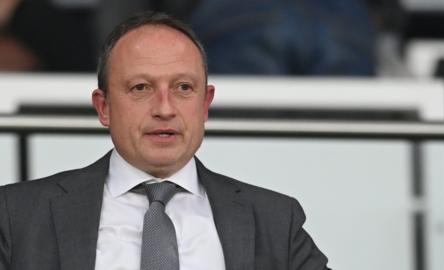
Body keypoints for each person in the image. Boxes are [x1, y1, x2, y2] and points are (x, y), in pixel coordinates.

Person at [0, 12, 331, 270]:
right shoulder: (17, 216)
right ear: (104, 107)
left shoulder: (274, 220)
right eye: (141, 88)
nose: (164, 109)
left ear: (205, 104)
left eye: (183, 88)